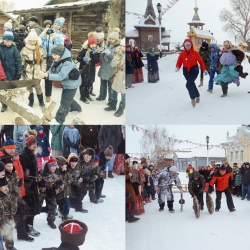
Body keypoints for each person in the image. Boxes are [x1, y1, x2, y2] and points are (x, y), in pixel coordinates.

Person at [39, 44, 82, 123]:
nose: (53, 56)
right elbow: (52, 70)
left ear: (61, 54)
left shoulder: (67, 63)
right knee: (68, 98)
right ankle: (77, 108)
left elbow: (61, 76)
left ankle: (58, 121)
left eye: (55, 55)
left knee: (64, 102)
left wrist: (47, 76)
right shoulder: (58, 59)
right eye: (52, 54)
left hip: (73, 83)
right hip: (68, 81)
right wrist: (45, 75)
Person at [19, 134, 41, 237]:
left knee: (32, 206)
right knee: (29, 206)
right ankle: (28, 227)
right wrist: (30, 181)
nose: (35, 145)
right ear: (28, 144)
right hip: (28, 186)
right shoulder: (24, 155)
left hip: (33, 184)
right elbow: (25, 171)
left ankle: (29, 225)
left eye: (35, 143)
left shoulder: (31, 153)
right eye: (32, 144)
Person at [176, 38, 207, 107]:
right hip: (186, 71)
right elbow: (179, 61)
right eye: (186, 45)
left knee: (188, 85)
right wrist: (178, 67)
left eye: (189, 45)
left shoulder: (195, 53)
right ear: (184, 46)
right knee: (192, 84)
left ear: (191, 45)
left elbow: (201, 62)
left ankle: (193, 98)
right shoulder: (182, 54)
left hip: (194, 70)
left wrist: (204, 69)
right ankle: (198, 96)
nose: (188, 46)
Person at [20, 28, 46, 107]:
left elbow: (43, 61)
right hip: (28, 72)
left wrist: (42, 71)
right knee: (29, 87)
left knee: (38, 87)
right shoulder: (24, 50)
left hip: (37, 72)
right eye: (30, 41)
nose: (32, 43)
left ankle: (41, 101)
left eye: (34, 41)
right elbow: (22, 61)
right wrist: (22, 71)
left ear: (37, 41)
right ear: (28, 41)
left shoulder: (40, 50)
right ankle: (31, 100)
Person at [39, 19, 64, 102]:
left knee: (48, 75)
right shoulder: (48, 31)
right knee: (39, 73)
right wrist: (43, 34)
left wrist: (55, 37)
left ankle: (48, 94)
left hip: (52, 57)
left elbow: (60, 46)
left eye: (58, 25)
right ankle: (37, 91)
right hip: (43, 56)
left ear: (60, 27)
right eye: (55, 24)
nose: (56, 26)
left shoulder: (60, 35)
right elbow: (39, 41)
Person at [0, 28, 22, 112]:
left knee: (12, 89)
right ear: (3, 40)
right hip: (3, 72)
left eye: (10, 41)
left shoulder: (14, 49)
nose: (8, 43)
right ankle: (4, 105)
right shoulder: (0, 48)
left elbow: (18, 60)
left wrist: (19, 71)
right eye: (7, 41)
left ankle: (13, 104)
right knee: (3, 89)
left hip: (13, 72)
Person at [38, 158, 64, 229]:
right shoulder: (42, 172)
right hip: (42, 192)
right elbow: (37, 184)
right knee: (36, 207)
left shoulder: (58, 173)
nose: (53, 168)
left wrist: (55, 191)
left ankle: (51, 221)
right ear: (48, 166)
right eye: (51, 166)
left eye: (54, 166)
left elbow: (61, 185)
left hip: (51, 192)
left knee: (53, 206)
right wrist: (44, 189)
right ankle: (29, 221)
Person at [97, 27, 120, 103]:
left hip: (111, 69)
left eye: (112, 39)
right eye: (110, 38)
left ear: (116, 40)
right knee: (103, 83)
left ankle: (111, 100)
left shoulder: (118, 48)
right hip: (104, 67)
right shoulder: (107, 45)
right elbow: (103, 55)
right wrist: (101, 54)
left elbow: (116, 58)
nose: (111, 40)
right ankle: (102, 96)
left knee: (111, 86)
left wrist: (109, 54)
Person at [1, 157, 20, 250]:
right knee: (5, 225)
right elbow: (5, 193)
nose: (10, 168)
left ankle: (9, 245)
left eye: (11, 165)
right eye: (8, 166)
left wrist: (17, 190)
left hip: (12, 204)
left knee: (10, 225)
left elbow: (16, 187)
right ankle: (7, 244)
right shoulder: (3, 178)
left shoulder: (14, 174)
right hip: (4, 205)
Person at [105, 37, 125, 117]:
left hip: (125, 76)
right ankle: (113, 106)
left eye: (124, 46)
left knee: (124, 94)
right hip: (118, 74)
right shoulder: (118, 53)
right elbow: (112, 64)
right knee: (114, 91)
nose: (123, 48)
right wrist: (117, 58)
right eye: (122, 46)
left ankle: (121, 109)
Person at [77, 35, 99, 104]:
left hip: (91, 69)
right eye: (92, 44)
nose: (93, 45)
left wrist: (95, 55)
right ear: (89, 44)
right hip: (84, 69)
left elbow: (96, 61)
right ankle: (82, 97)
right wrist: (83, 59)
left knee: (90, 82)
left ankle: (87, 94)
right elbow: (78, 58)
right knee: (84, 83)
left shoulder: (95, 51)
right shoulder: (84, 51)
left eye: (94, 44)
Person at [56, 156, 73, 221]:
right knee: (66, 204)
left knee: (67, 203)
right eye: (64, 165)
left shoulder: (65, 172)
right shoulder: (57, 174)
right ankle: (64, 215)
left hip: (64, 193)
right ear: (60, 165)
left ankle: (64, 214)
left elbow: (69, 179)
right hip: (59, 194)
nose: (66, 166)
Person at [125, 154, 140, 223]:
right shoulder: (124, 166)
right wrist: (128, 175)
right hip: (127, 186)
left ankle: (127, 217)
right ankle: (130, 217)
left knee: (129, 202)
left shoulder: (127, 166)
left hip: (129, 185)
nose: (129, 160)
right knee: (131, 201)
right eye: (128, 159)